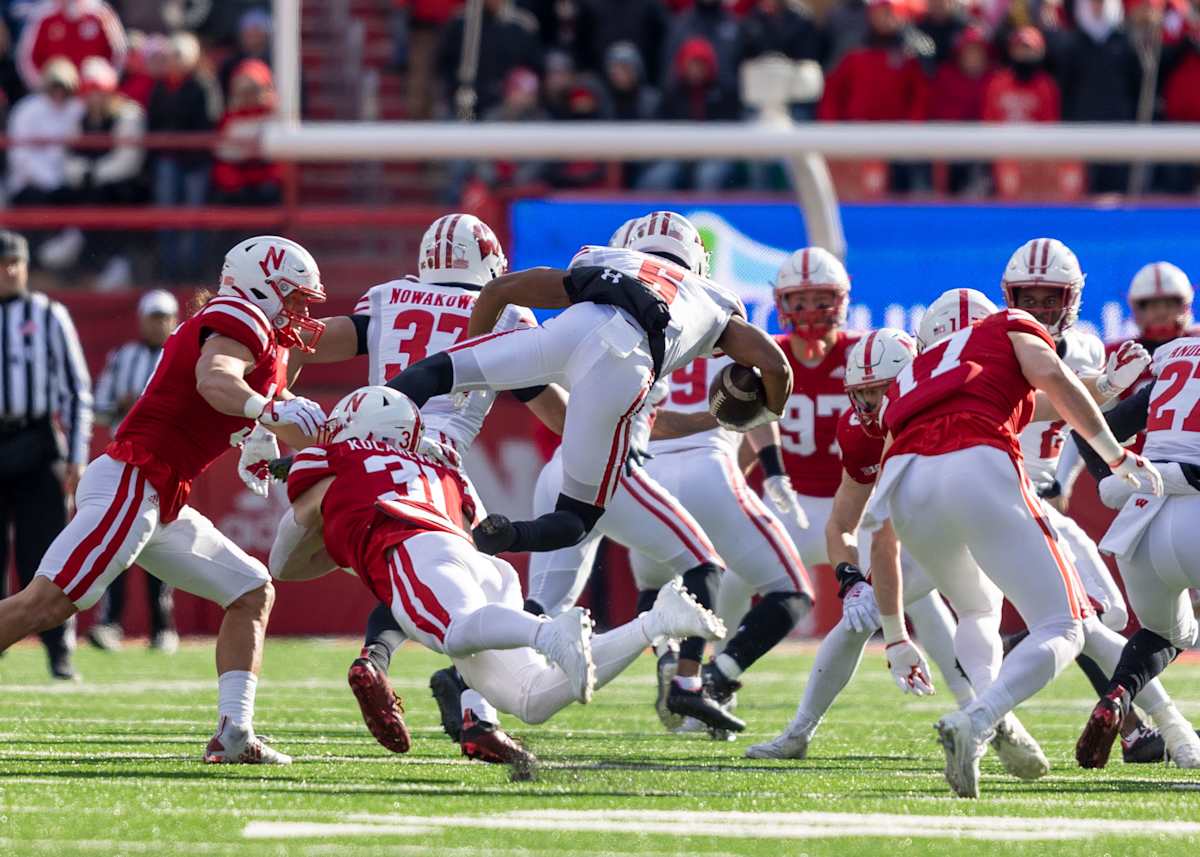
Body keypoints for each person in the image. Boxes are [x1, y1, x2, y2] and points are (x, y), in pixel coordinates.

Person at [385, 210, 793, 702]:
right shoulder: (710, 298)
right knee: (575, 521)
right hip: (624, 367)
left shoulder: (606, 259)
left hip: (569, 331)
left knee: (433, 373)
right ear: (696, 259)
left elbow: (499, 291)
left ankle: (361, 424)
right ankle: (507, 535)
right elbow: (774, 364)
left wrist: (475, 361)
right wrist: (765, 410)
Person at [271, 385, 726, 779]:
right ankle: (655, 623)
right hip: (480, 564)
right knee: (531, 699)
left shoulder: (335, 459)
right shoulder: (443, 467)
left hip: (417, 548)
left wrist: (334, 531)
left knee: (454, 633)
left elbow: (284, 562)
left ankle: (548, 632)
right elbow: (475, 528)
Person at [0, 235, 330, 764]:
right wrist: (264, 413)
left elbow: (279, 412)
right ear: (261, 286)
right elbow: (215, 380)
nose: (300, 311)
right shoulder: (239, 317)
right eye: (293, 296)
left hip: (160, 493)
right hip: (134, 478)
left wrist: (292, 431)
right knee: (46, 603)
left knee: (250, 591)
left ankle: (234, 733)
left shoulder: (263, 337)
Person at [280, 213, 569, 764]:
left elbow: (306, 342)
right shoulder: (505, 313)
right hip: (434, 463)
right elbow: (557, 414)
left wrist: (276, 398)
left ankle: (377, 659)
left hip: (359, 454)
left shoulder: (389, 298)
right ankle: (478, 716)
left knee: (390, 571)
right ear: (490, 263)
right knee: (482, 584)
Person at [863, 280, 1162, 798]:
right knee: (1066, 624)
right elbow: (1053, 378)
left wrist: (894, 634)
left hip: (910, 491)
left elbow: (883, 530)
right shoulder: (1008, 325)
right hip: (977, 461)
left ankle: (982, 718)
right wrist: (1114, 454)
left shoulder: (908, 379)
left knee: (977, 608)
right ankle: (978, 720)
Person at [746, 328, 982, 762]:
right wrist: (849, 579)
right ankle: (798, 731)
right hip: (925, 535)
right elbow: (842, 523)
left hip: (984, 525)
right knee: (865, 613)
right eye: (864, 392)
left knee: (1039, 619)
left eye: (883, 390)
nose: (872, 403)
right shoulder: (860, 431)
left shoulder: (950, 412)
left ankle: (989, 717)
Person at [1070, 337, 1200, 769]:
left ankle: (1117, 695)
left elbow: (1089, 431)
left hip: (1142, 525)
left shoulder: (1176, 364)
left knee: (1166, 634)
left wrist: (1116, 480)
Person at [714, 247, 856, 642]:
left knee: (917, 593)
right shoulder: (767, 356)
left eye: (821, 300)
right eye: (800, 301)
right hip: (787, 503)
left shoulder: (865, 354)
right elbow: (748, 438)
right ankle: (716, 665)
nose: (810, 311)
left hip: (855, 506)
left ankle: (962, 678)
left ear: (841, 301)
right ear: (781, 304)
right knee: (733, 579)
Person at [0, 229, 92, 680]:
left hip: (37, 440)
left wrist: (76, 454)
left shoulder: (48, 314)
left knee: (47, 553)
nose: (8, 271)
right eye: (1, 264)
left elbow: (76, 388)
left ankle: (59, 649)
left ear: (25, 266)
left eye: (14, 263)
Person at [87, 289, 180, 654]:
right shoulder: (122, 357)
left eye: (164, 317)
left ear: (174, 320)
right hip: (124, 462)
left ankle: (163, 627)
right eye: (153, 317)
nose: (159, 324)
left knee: (160, 543)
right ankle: (111, 623)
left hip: (166, 461)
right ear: (142, 320)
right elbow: (98, 408)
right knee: (116, 542)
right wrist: (119, 404)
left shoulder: (181, 356)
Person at [61, 55, 145, 289]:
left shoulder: (128, 115)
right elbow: (69, 155)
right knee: (67, 194)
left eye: (99, 91)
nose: (94, 98)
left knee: (104, 200)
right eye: (90, 92)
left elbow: (128, 161)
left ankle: (116, 265)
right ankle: (76, 242)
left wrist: (93, 173)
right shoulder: (80, 118)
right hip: (93, 184)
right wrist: (84, 173)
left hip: (126, 186)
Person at [147, 31, 220, 284]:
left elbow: (208, 120)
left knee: (193, 218)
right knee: (166, 217)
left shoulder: (203, 84)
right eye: (172, 55)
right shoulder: (161, 86)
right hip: (168, 159)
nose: (175, 61)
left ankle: (191, 273)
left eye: (179, 55)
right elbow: (153, 121)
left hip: (194, 162)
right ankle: (169, 271)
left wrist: (177, 137)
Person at [16, 0, 126, 92]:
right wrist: (41, 87)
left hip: (93, 95)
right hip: (55, 95)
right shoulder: (42, 14)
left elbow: (119, 53)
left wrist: (107, 83)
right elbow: (26, 57)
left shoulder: (100, 13)